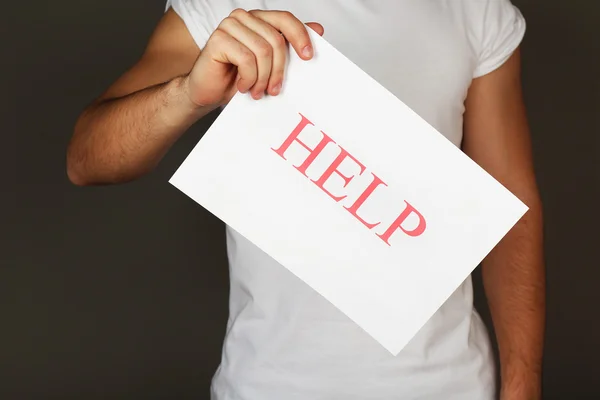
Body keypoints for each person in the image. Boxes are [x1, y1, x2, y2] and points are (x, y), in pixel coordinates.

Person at [66, 0, 546, 399]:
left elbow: (512, 205)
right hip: (267, 385)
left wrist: (522, 387)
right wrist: (189, 93)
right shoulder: (223, 2)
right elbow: (88, 159)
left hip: (453, 385)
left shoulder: (477, 10)